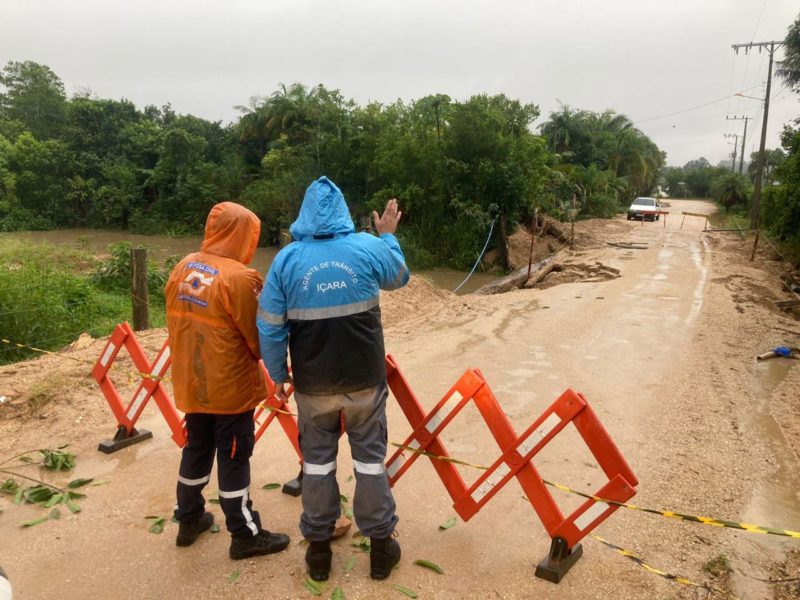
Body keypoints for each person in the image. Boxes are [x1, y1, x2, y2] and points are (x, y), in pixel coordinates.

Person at [257, 177, 409, 581]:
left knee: (318, 465)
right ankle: (380, 550)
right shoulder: (367, 246)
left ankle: (319, 555)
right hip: (365, 382)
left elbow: (270, 325)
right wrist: (388, 237)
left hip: (313, 386)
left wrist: (277, 374)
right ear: (342, 210)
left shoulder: (286, 260)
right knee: (370, 463)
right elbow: (399, 277)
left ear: (304, 214)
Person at [165, 201, 290, 560]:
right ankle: (244, 533)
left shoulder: (181, 267)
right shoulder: (240, 278)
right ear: (241, 236)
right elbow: (260, 335)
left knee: (196, 449)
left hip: (192, 383)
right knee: (234, 456)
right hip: (229, 389)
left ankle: (188, 520)